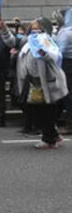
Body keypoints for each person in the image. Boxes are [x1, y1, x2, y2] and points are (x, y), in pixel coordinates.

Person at [16, 17, 68, 149]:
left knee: (45, 111)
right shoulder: (28, 42)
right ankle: (53, 134)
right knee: (39, 110)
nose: (34, 32)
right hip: (33, 82)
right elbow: (12, 41)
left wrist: (43, 53)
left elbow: (55, 55)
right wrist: (4, 29)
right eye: (32, 29)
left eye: (37, 29)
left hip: (46, 82)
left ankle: (48, 139)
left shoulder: (47, 40)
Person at [55, 8, 72, 135]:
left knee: (68, 95)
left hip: (66, 64)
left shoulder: (65, 33)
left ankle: (69, 124)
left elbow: (59, 52)